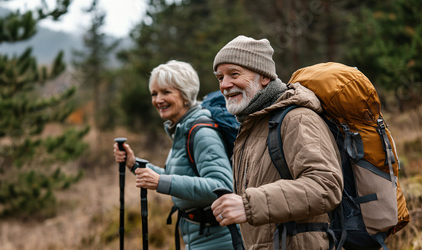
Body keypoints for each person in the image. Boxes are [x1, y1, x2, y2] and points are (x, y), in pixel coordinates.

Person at [210, 35, 343, 249]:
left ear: (264, 77)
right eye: (220, 77)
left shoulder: (297, 118)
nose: (225, 85)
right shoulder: (252, 126)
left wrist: (248, 205)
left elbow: (325, 186)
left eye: (234, 74)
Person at [114, 60, 235, 249]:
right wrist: (133, 163)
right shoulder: (182, 130)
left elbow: (222, 186)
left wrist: (160, 182)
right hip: (200, 236)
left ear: (185, 94)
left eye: (166, 92)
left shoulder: (202, 132)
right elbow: (181, 176)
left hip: (219, 240)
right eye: (154, 94)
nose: (158, 100)